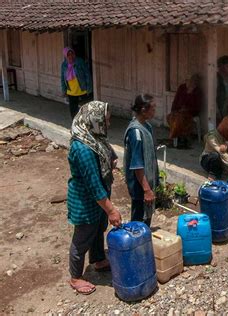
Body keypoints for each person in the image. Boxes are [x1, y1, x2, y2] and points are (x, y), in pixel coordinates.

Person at [67, 101, 122, 295]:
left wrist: (111, 159)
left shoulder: (95, 137)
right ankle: (75, 277)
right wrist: (111, 209)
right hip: (86, 200)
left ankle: (98, 260)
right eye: (105, 120)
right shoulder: (83, 148)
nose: (108, 123)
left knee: (98, 229)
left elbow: (107, 152)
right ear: (94, 120)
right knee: (83, 237)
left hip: (98, 198)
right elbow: (93, 184)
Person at [124, 94, 159, 227]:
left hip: (147, 182)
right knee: (139, 220)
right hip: (140, 185)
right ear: (144, 110)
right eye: (153, 108)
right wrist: (146, 190)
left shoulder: (147, 127)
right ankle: (136, 245)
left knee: (147, 217)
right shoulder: (136, 132)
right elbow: (137, 165)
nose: (155, 111)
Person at [200, 115, 228, 180]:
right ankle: (213, 173)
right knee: (215, 155)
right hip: (208, 160)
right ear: (226, 128)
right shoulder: (211, 137)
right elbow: (222, 153)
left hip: (224, 160)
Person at [167, 74, 203, 148]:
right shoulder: (182, 87)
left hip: (190, 112)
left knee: (180, 119)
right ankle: (179, 137)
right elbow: (176, 100)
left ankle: (176, 137)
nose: (191, 83)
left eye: (194, 81)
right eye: (190, 80)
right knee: (170, 117)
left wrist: (187, 109)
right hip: (178, 110)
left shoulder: (197, 91)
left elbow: (197, 106)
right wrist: (173, 110)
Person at [61, 47, 92, 119]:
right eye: (68, 55)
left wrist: (89, 88)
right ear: (65, 56)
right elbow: (62, 78)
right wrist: (64, 90)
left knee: (85, 110)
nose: (70, 56)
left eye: (72, 54)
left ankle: (85, 124)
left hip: (82, 89)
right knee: (73, 111)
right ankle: (75, 125)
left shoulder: (79, 61)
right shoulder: (64, 65)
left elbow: (87, 74)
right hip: (71, 91)